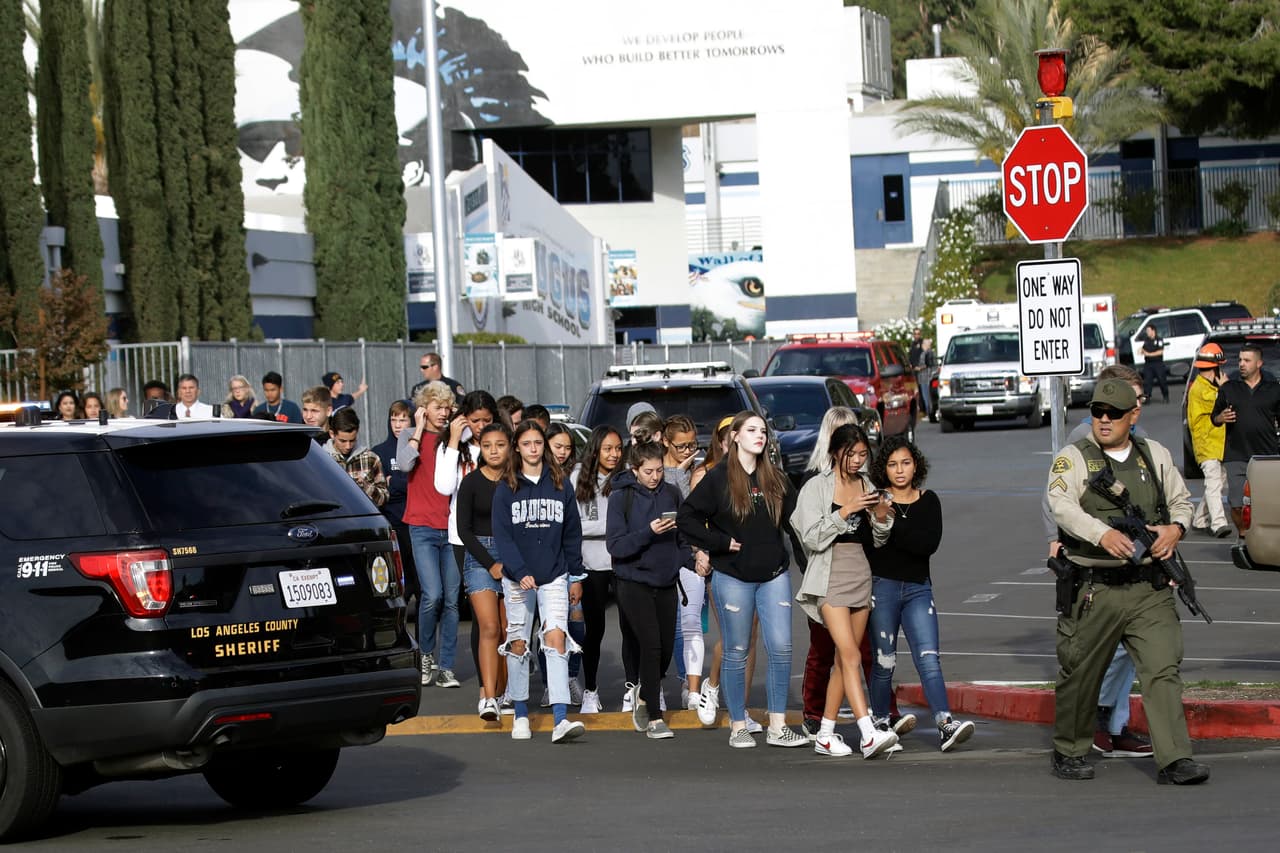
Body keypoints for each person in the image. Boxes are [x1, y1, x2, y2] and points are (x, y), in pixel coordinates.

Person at [1046, 379, 1208, 784]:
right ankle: (1069, 748)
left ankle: (1174, 759)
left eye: (1113, 413)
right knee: (1080, 671)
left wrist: (1176, 529)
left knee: (1162, 668)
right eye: (1098, 411)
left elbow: (1181, 502)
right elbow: (1061, 504)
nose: (1103, 419)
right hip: (1094, 589)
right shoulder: (1074, 457)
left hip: (1147, 589)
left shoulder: (1154, 456)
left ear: (1132, 416)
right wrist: (1101, 533)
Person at [1041, 363, 1152, 760]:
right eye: (1131, 399)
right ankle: (1095, 722)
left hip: (1130, 561)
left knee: (1130, 649)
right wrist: (1055, 541)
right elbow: (1055, 498)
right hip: (1089, 561)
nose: (1136, 408)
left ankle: (1114, 723)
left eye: (1139, 401)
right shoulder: (1082, 438)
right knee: (1095, 648)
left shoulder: (1140, 443)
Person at [677, 411, 807, 749]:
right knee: (735, 650)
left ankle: (778, 726)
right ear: (734, 436)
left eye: (762, 430)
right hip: (732, 576)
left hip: (774, 575)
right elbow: (686, 518)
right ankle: (738, 725)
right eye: (751, 430)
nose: (759, 435)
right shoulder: (718, 478)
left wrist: (809, 565)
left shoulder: (775, 478)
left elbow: (798, 524)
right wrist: (718, 543)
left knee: (780, 648)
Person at [797, 406, 909, 740]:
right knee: (845, 655)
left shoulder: (868, 484)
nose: (859, 460)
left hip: (860, 573)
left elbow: (876, 539)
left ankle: (827, 733)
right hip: (829, 575)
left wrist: (881, 516)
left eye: (863, 453)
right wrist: (846, 511)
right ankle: (867, 729)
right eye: (852, 454)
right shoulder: (816, 487)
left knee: (849, 659)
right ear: (834, 452)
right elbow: (810, 537)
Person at [867, 435, 975, 752]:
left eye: (905, 463)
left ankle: (945, 723)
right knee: (883, 661)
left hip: (918, 589)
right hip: (882, 587)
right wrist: (891, 522)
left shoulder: (929, 500)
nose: (900, 470)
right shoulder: (874, 501)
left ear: (916, 465)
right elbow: (873, 545)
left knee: (929, 659)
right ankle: (880, 722)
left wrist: (893, 523)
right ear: (883, 468)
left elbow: (926, 545)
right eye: (892, 464)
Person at [492, 420, 587, 744]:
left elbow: (572, 533)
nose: (533, 448)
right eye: (527, 443)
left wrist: (575, 575)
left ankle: (560, 718)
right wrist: (518, 571)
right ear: (517, 447)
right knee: (518, 643)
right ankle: (520, 713)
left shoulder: (561, 483)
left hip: (555, 575)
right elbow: (502, 537)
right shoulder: (506, 486)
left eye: (538, 443)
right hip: (518, 580)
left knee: (556, 639)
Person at [607, 440, 691, 740]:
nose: (655, 477)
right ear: (635, 470)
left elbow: (683, 537)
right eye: (648, 471)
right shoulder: (621, 498)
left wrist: (692, 561)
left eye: (658, 470)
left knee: (665, 649)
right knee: (651, 645)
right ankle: (655, 718)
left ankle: (645, 693)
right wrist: (648, 532)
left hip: (666, 581)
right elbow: (615, 546)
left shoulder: (672, 493)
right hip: (632, 581)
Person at [398, 380, 461, 689]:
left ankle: (446, 666)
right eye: (437, 406)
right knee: (431, 595)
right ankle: (425, 654)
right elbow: (404, 464)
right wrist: (419, 429)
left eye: (446, 407)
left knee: (451, 600)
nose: (443, 412)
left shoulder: (453, 439)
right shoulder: (410, 435)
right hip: (421, 526)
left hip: (450, 527)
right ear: (424, 408)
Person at [434, 390, 499, 690]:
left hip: (501, 535)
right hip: (464, 538)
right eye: (475, 421)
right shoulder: (454, 449)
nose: (482, 426)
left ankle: (504, 680)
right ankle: (488, 683)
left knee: (505, 614)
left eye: (487, 420)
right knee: (480, 613)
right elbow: (444, 487)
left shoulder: (500, 447)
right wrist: (452, 439)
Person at [457, 422, 513, 721]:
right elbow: (463, 530)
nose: (494, 450)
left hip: (513, 555)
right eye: (488, 445)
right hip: (479, 557)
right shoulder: (471, 482)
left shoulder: (517, 482)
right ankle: (488, 697)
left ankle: (504, 694)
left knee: (508, 631)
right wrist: (490, 563)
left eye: (500, 444)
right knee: (489, 627)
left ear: (509, 447)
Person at [570, 425, 625, 714]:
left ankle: (635, 689)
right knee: (595, 630)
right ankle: (590, 689)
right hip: (591, 565)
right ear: (595, 450)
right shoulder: (579, 477)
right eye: (607, 449)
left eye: (618, 448)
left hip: (623, 561)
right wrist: (611, 528)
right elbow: (574, 524)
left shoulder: (626, 477)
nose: (614, 454)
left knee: (632, 627)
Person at [1211, 343, 1280, 534]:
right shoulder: (1229, 389)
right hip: (1236, 454)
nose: (1241, 364)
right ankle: (1243, 536)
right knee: (1236, 504)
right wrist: (1220, 417)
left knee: (1265, 505)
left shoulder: (1274, 389)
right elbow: (1214, 417)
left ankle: (1261, 538)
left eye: (1247, 360)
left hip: (1265, 456)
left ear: (1259, 363)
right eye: (1240, 360)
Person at [661, 414, 701, 708]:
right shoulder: (655, 470)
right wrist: (678, 475)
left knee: (689, 623)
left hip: (689, 553)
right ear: (665, 442)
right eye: (681, 446)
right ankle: (659, 683)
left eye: (692, 445)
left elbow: (694, 514)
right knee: (664, 625)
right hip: (660, 554)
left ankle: (691, 684)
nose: (688, 452)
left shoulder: (696, 470)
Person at [372, 400, 418, 602]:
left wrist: (396, 482)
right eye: (394, 419)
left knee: (424, 589)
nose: (398, 425)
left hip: (417, 523)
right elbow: (382, 491)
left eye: (403, 419)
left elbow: (418, 485)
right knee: (401, 587)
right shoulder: (379, 451)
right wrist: (405, 483)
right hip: (394, 523)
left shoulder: (418, 448)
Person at [1187, 343, 1231, 538]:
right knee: (1214, 482)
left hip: (1217, 443)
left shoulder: (1208, 386)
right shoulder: (1201, 390)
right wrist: (1224, 388)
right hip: (1206, 444)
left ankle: (1200, 519)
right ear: (1214, 368)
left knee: (1217, 483)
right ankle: (1218, 523)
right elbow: (1221, 403)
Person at [324, 408, 388, 507]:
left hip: (363, 519)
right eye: (343, 441)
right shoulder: (322, 460)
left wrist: (367, 488)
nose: (348, 446)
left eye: (352, 440)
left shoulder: (371, 459)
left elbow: (384, 499)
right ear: (332, 434)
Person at [1140, 325, 1169, 404]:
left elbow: (1160, 352)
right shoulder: (1146, 340)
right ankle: (1147, 398)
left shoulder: (1159, 340)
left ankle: (1165, 396)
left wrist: (1149, 354)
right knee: (1147, 381)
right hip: (1148, 364)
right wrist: (1141, 351)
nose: (1147, 333)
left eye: (1148, 331)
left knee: (1161, 380)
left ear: (1153, 331)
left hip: (1158, 363)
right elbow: (1143, 349)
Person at [916, 338, 938, 420]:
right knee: (930, 397)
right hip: (931, 377)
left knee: (926, 397)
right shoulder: (933, 353)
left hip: (924, 377)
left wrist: (917, 368)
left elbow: (924, 365)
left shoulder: (924, 354)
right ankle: (931, 412)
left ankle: (929, 413)